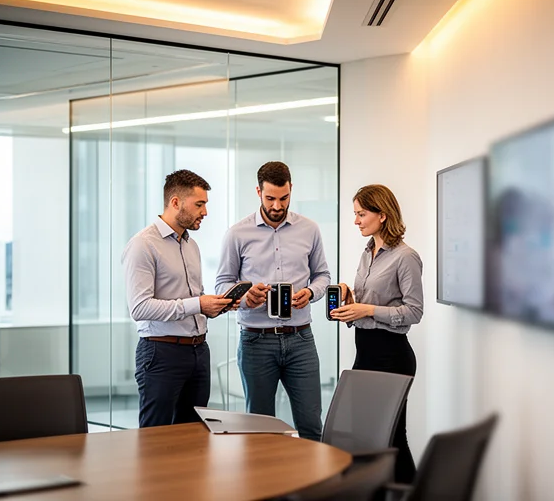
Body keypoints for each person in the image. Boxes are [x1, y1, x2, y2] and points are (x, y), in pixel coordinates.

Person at [215, 161, 331, 441]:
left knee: (311, 425)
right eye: (270, 198)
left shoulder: (310, 229)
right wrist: (245, 297)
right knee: (259, 430)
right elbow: (222, 285)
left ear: (291, 190)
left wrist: (311, 293)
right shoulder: (237, 233)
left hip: (301, 339)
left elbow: (323, 276)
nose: (278, 206)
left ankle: (313, 485)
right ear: (258, 192)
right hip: (256, 342)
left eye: (284, 198)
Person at [122, 169, 234, 428]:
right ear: (175, 202)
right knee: (155, 436)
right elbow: (139, 307)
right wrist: (198, 304)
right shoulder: (143, 245)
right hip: (161, 353)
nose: (204, 212)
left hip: (198, 351)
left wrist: (214, 306)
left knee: (194, 434)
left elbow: (192, 298)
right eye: (199, 204)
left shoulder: (190, 245)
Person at [330, 184, 423, 484]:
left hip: (392, 355)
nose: (356, 220)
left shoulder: (406, 257)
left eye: (361, 214)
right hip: (366, 352)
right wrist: (350, 301)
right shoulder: (367, 252)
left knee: (393, 437)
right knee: (365, 436)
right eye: (355, 214)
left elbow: (414, 312)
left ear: (382, 215)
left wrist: (367, 310)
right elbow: (367, 303)